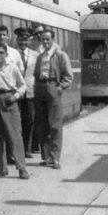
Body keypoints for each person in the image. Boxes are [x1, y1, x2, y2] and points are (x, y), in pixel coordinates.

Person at [33, 29, 73, 170]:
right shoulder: (40, 56)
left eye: (47, 39)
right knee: (42, 124)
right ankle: (46, 157)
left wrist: (60, 87)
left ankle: (55, 157)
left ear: (53, 40)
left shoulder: (60, 55)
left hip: (53, 88)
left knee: (55, 125)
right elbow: (36, 74)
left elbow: (68, 76)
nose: (45, 42)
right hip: (40, 88)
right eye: (43, 39)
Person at [0, 44, 30, 179]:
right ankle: (2, 168)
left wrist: (15, 96)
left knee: (14, 135)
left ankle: (22, 168)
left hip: (10, 100)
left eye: (1, 53)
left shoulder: (12, 67)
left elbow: (23, 85)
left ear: (6, 54)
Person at [15, 27, 39, 158]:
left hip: (30, 92)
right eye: (20, 40)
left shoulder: (35, 55)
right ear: (17, 40)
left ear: (29, 41)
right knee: (16, 122)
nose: (23, 43)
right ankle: (17, 149)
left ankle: (27, 149)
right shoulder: (13, 53)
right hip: (16, 92)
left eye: (25, 40)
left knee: (29, 120)